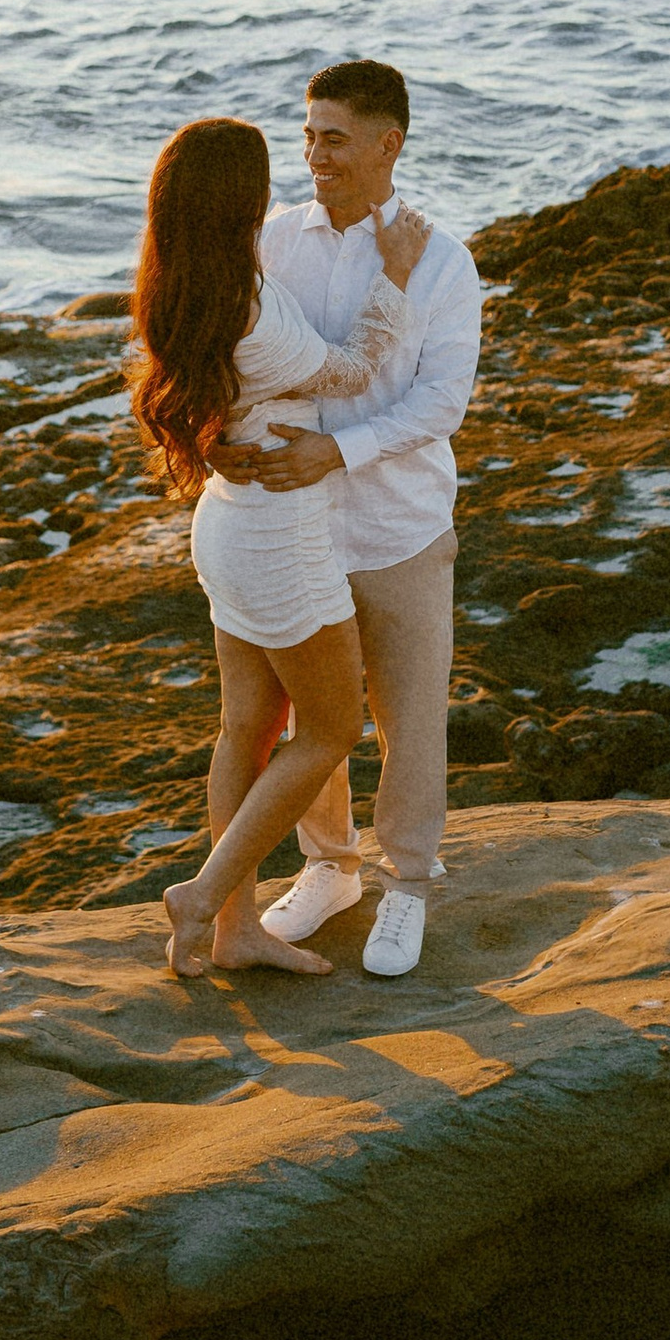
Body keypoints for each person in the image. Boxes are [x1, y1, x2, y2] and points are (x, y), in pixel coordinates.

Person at [129, 115, 432, 981]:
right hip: (279, 534)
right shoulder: (247, 310)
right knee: (331, 725)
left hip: (229, 517)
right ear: (241, 200)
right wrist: (397, 277)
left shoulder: (177, 284)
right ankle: (205, 895)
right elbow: (350, 370)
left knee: (248, 730)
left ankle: (235, 932)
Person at [206, 59, 481, 982]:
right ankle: (329, 867)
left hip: (398, 526)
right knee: (307, 718)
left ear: (386, 143)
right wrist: (213, 436)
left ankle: (407, 883)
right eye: (309, 133)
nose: (314, 154)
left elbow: (442, 403)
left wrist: (338, 450)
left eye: (332, 136)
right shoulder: (275, 243)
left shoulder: (441, 259)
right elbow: (237, 355)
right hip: (295, 528)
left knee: (408, 716)